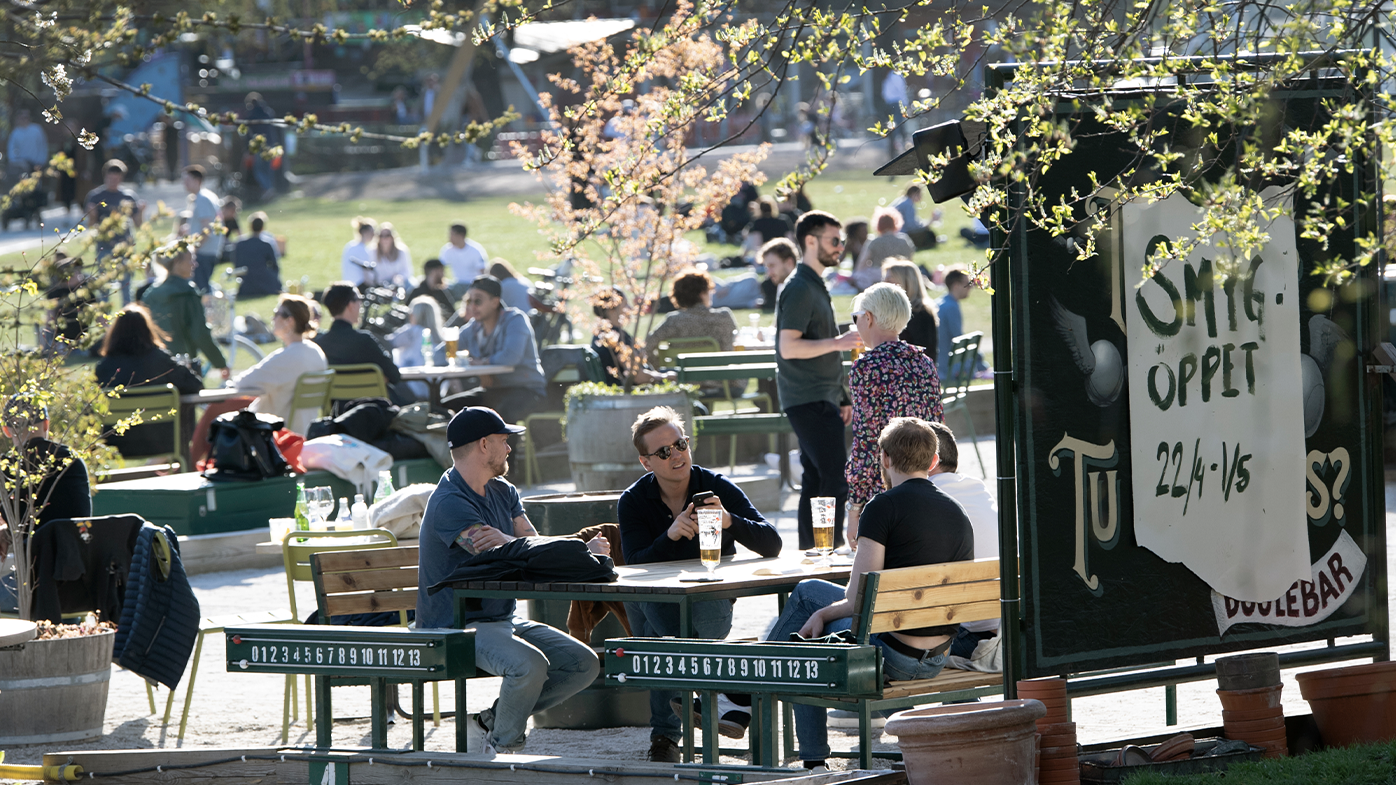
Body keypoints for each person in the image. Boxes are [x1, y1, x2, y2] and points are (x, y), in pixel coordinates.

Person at [764, 417, 973, 768]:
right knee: (810, 602)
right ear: (934, 461)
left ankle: (760, 696)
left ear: (886, 459)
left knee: (804, 624)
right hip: (937, 657)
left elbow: (858, 597)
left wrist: (821, 614)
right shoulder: (956, 511)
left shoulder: (882, 506)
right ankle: (750, 685)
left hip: (893, 656)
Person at [416, 407, 604, 754]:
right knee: (528, 666)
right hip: (454, 623)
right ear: (484, 445)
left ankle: (489, 722)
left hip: (501, 617)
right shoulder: (448, 501)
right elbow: (495, 552)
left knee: (584, 664)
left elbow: (532, 544)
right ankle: (503, 748)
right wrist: (515, 544)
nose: (510, 449)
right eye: (504, 441)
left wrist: (574, 548)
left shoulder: (503, 490)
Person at [617, 406, 781, 761]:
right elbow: (634, 565)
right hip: (658, 603)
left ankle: (666, 736)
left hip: (710, 604)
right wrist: (670, 536)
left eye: (680, 444)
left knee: (657, 639)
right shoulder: (633, 500)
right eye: (664, 451)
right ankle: (726, 689)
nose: (676, 455)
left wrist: (728, 520)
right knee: (651, 609)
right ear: (647, 462)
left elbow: (773, 543)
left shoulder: (715, 487)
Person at [778, 211, 861, 550]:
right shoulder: (799, 287)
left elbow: (818, 344)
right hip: (805, 396)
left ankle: (811, 554)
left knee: (815, 478)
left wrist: (841, 396)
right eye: (834, 240)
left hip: (821, 396)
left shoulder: (814, 284)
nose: (840, 247)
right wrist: (840, 343)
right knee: (835, 478)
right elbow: (788, 346)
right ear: (810, 241)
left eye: (841, 240)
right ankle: (827, 551)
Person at [844, 283, 943, 543]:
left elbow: (866, 442)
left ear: (869, 318)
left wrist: (855, 507)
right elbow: (938, 428)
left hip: (885, 492)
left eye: (856, 318)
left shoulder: (866, 368)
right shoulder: (924, 363)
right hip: (926, 483)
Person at [926, 421, 999, 659]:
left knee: (808, 594)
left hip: (966, 638)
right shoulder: (978, 488)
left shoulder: (927, 497)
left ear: (928, 461)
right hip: (1002, 632)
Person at [95, 304, 204, 457]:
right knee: (185, 408)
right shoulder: (161, 360)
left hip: (114, 443)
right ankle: (186, 465)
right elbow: (195, 384)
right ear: (147, 330)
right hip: (164, 441)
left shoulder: (104, 367)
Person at [0, 395, 92, 568]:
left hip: (32, 573)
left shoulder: (6, 469)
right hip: (76, 567)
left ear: (6, 430)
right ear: (47, 424)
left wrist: (6, 533)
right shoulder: (72, 461)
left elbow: (23, 522)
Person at [446, 276, 547, 424]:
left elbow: (510, 357)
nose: (472, 306)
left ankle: (509, 448)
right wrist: (480, 368)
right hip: (494, 391)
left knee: (499, 415)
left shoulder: (515, 319)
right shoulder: (473, 327)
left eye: (478, 301)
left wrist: (483, 365)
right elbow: (440, 353)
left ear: (495, 302)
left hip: (528, 389)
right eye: (469, 301)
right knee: (447, 407)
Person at [230, 295, 329, 435]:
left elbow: (243, 383)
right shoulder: (317, 352)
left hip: (274, 431)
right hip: (306, 429)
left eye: (276, 313)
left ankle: (195, 456)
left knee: (217, 411)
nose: (273, 318)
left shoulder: (288, 356)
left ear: (289, 321)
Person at [313, 283, 413, 405]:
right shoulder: (364, 340)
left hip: (338, 413)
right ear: (350, 305)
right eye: (359, 299)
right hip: (373, 412)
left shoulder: (320, 344)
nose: (361, 304)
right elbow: (394, 375)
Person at [142, 250, 230, 380]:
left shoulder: (150, 295)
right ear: (177, 262)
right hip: (184, 367)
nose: (194, 264)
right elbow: (200, 334)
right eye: (190, 260)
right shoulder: (187, 292)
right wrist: (220, 363)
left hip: (152, 368)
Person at [84, 159, 145, 303]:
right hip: (104, 247)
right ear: (105, 176)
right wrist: (92, 215)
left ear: (121, 178)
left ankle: (127, 316)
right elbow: (91, 226)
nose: (113, 181)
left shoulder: (128, 197)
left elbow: (138, 224)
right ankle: (103, 318)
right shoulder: (95, 197)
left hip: (125, 247)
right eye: (110, 178)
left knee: (126, 285)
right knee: (104, 285)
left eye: (116, 178)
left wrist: (141, 211)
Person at [643, 270, 740, 357]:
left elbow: (647, 346)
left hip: (682, 375)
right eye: (709, 290)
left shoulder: (673, 321)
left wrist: (661, 366)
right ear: (702, 294)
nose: (712, 293)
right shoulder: (723, 317)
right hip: (718, 375)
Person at [590, 288, 667, 388]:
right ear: (612, 308)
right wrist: (667, 377)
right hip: (626, 394)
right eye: (625, 305)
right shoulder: (615, 338)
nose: (630, 308)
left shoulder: (602, 334)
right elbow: (637, 376)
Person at [388, 297, 445, 400]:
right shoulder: (440, 338)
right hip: (432, 391)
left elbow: (388, 343)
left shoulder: (412, 331)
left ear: (415, 315)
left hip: (409, 387)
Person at [882, 259, 938, 354]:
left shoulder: (918, 314)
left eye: (889, 281)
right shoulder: (921, 310)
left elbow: (920, 353)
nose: (883, 286)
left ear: (905, 283)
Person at [43, 254, 96, 354]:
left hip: (81, 342)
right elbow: (49, 323)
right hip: (61, 343)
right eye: (76, 272)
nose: (80, 274)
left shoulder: (86, 292)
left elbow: (100, 318)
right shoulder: (55, 294)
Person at [854, 208, 916, 291]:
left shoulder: (874, 241)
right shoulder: (904, 240)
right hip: (902, 274)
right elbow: (910, 260)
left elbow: (861, 264)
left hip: (878, 276)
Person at [182, 165, 222, 292]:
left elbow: (206, 230)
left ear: (196, 180)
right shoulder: (206, 196)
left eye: (187, 180)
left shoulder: (203, 199)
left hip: (204, 252)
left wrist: (193, 250)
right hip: (208, 250)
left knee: (202, 290)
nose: (185, 184)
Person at [937, 268, 982, 375]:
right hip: (947, 367)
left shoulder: (940, 303)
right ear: (956, 285)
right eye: (967, 284)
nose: (970, 287)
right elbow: (958, 338)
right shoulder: (951, 307)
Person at [233, 212, 282, 297]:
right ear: (262, 227)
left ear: (250, 226)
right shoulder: (266, 244)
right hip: (265, 282)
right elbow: (275, 266)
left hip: (246, 283)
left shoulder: (240, 244)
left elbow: (237, 265)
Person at [758, 237, 799, 313]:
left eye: (772, 266)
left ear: (789, 263)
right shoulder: (782, 286)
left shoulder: (801, 291)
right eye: (767, 267)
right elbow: (777, 325)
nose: (769, 273)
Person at [6, 110, 49, 181]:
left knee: (35, 184)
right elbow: (11, 149)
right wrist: (15, 161)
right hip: (22, 165)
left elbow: (42, 146)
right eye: (21, 118)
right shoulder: (15, 133)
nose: (24, 120)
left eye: (25, 117)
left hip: (36, 164)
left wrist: (41, 161)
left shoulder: (37, 130)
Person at [890, 185, 936, 250]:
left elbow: (914, 222)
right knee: (929, 235)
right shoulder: (908, 204)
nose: (921, 197)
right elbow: (912, 226)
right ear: (914, 194)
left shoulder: (902, 200)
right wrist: (929, 223)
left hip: (893, 232)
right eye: (920, 194)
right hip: (900, 233)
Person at [341, 217, 377, 285]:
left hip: (347, 283)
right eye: (372, 232)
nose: (374, 235)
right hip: (359, 285)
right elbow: (366, 273)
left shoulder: (349, 246)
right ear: (365, 232)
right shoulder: (363, 250)